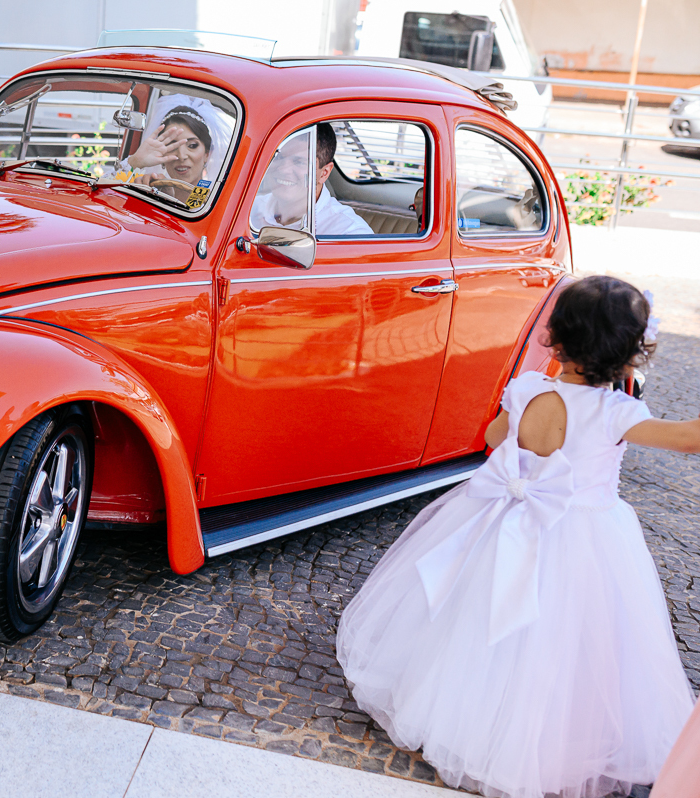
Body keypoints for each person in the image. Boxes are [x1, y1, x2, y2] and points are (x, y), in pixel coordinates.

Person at [336, 275, 695, 798]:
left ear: (559, 339)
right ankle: (539, 741)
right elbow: (689, 440)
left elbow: (493, 438)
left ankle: (456, 713)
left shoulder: (528, 388)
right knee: (567, 637)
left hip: (503, 518)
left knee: (477, 618)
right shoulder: (620, 412)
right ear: (630, 351)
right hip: (587, 538)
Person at [250, 122, 374, 237]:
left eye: (299, 162)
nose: (283, 169)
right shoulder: (249, 210)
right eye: (278, 157)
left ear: (324, 173)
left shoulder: (348, 232)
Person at [110, 105, 213, 204]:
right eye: (171, 146)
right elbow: (106, 195)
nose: (181, 156)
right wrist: (134, 161)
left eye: (192, 145)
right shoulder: (150, 192)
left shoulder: (215, 203)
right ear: (162, 155)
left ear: (207, 154)